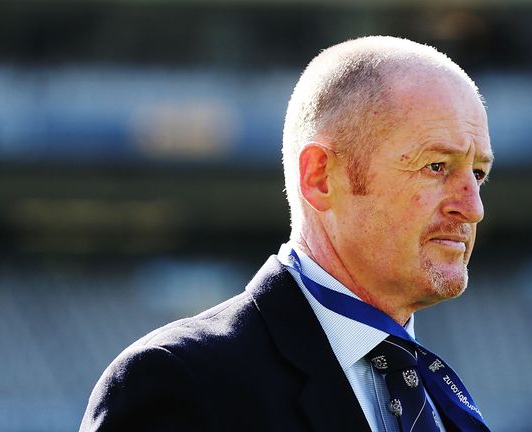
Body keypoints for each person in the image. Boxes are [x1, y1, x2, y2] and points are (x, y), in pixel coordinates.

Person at [80, 35, 494, 432]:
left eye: (478, 174)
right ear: (319, 178)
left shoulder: (439, 398)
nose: (472, 207)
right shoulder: (181, 381)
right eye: (436, 166)